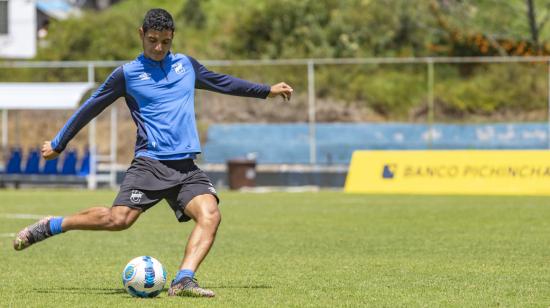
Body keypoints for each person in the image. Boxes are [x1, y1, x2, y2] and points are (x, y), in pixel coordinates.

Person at [13, 8, 293, 298]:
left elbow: (223, 82)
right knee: (118, 220)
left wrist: (266, 91)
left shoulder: (186, 66)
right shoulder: (126, 75)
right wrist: (58, 143)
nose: (159, 48)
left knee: (211, 215)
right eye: (153, 40)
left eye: (166, 42)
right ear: (141, 35)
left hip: (186, 167)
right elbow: (91, 107)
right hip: (150, 164)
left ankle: (184, 279)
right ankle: (53, 224)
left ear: (173, 38)